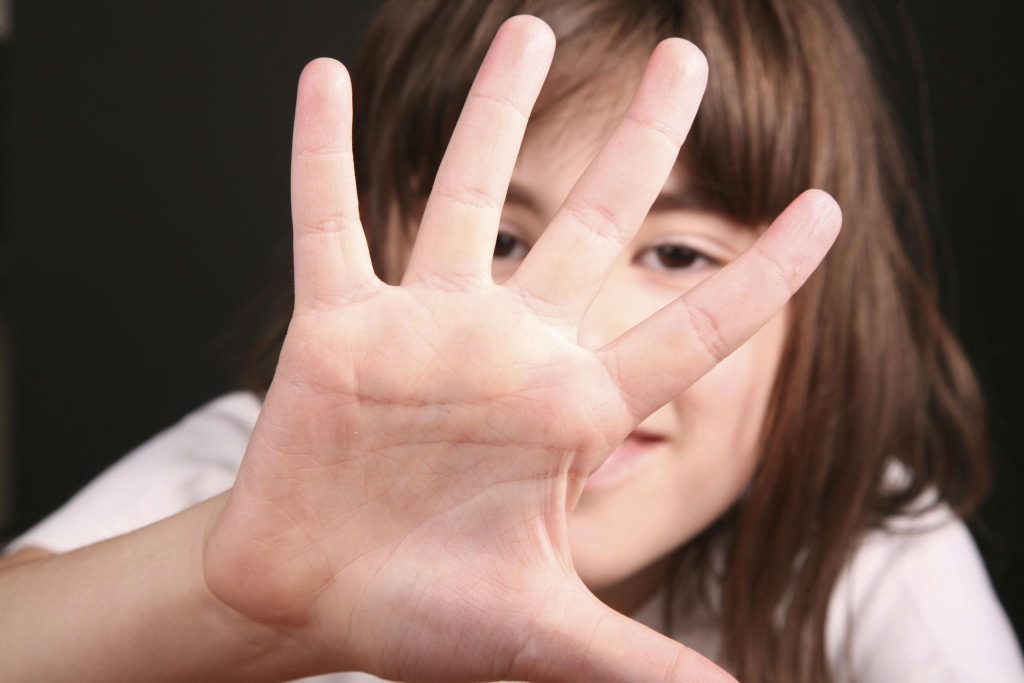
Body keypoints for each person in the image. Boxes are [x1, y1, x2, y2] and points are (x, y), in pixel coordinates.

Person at [2, 1, 1022, 681]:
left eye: (679, 254)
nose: (575, 340)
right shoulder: (263, 476)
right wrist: (226, 592)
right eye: (500, 240)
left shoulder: (855, 543)